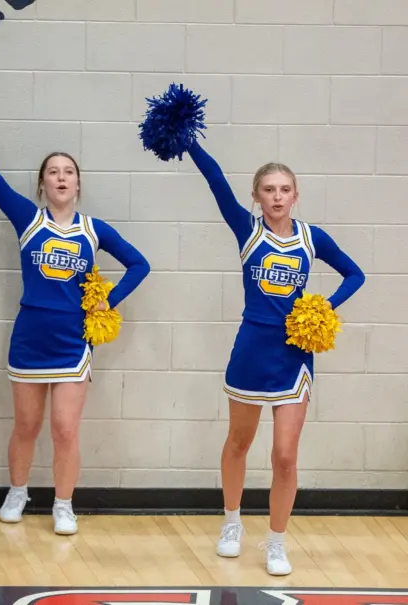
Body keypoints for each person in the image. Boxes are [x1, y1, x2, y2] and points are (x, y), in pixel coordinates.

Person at [139, 84, 365, 576]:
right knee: (239, 442)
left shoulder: (312, 238)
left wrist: (322, 308)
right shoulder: (248, 230)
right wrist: (188, 138)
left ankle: (277, 541)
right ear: (256, 196)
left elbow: (355, 274)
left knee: (285, 455)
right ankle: (231, 522)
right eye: (268, 189)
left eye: (284, 189)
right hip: (250, 349)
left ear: (296, 195)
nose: (277, 197)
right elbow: (215, 179)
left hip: (294, 356)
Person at [0, 133, 150, 535]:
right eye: (53, 172)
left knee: (65, 428)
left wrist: (109, 300)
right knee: (26, 425)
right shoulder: (28, 219)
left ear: (78, 184)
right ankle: (17, 492)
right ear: (42, 184)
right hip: (30, 338)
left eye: (68, 172)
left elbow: (139, 264)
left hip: (72, 342)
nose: (61, 178)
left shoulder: (93, 230)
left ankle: (63, 504)